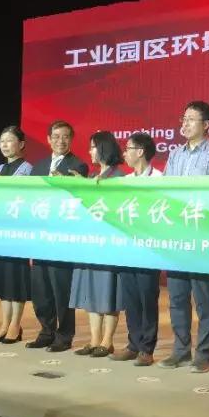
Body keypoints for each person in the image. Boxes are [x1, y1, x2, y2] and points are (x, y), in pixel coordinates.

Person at [159, 101, 209, 373]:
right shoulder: (175, 154)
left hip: (199, 234)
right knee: (176, 296)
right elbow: (166, 189)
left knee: (202, 297)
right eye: (183, 119)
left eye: (191, 120)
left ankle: (203, 354)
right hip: (176, 233)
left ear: (206, 125)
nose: (184, 124)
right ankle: (180, 350)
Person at [27, 120, 89, 353]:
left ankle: (64, 335)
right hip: (40, 236)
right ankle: (46, 331)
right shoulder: (39, 166)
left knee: (61, 288)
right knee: (41, 289)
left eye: (65, 137)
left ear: (71, 140)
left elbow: (77, 197)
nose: (60, 141)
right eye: (56, 136)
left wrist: (61, 182)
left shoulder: (78, 165)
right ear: (48, 139)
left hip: (62, 238)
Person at [69, 131, 126, 357]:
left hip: (109, 245)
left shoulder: (118, 177)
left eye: (93, 147)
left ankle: (107, 340)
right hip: (90, 243)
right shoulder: (93, 176)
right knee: (91, 290)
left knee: (108, 291)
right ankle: (94, 340)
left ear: (104, 149)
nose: (90, 151)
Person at [112, 132, 163, 366]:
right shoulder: (125, 181)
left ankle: (147, 348)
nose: (125, 153)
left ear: (140, 152)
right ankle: (133, 344)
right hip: (127, 248)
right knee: (131, 298)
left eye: (128, 149)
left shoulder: (160, 179)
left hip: (148, 249)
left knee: (147, 298)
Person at [0, 126, 33, 344]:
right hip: (0, 233)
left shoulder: (28, 169)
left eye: (10, 140)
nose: (5, 145)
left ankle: (15, 324)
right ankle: (4, 324)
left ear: (21, 144)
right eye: (1, 141)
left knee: (16, 278)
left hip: (18, 233)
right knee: (3, 279)